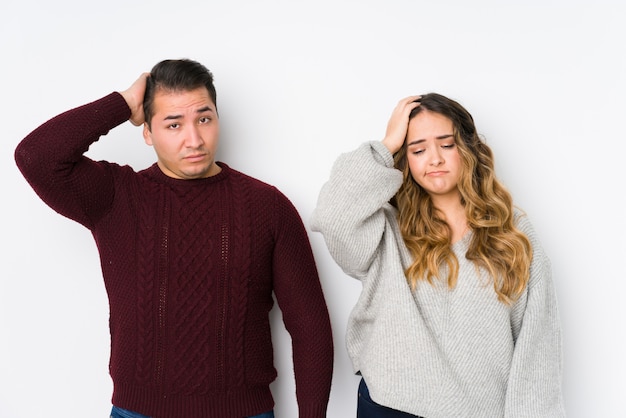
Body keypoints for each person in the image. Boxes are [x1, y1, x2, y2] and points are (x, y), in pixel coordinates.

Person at [14, 58, 334, 418]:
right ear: (147, 131)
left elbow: (309, 323)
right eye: (173, 123)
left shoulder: (267, 206)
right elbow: (35, 156)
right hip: (138, 412)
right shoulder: (117, 197)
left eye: (204, 118)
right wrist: (123, 102)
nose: (193, 139)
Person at [310, 94, 565, 417]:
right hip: (390, 406)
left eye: (447, 145)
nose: (434, 159)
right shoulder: (385, 227)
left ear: (470, 149)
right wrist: (386, 145)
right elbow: (332, 216)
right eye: (417, 149)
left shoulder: (514, 234)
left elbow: (537, 353)